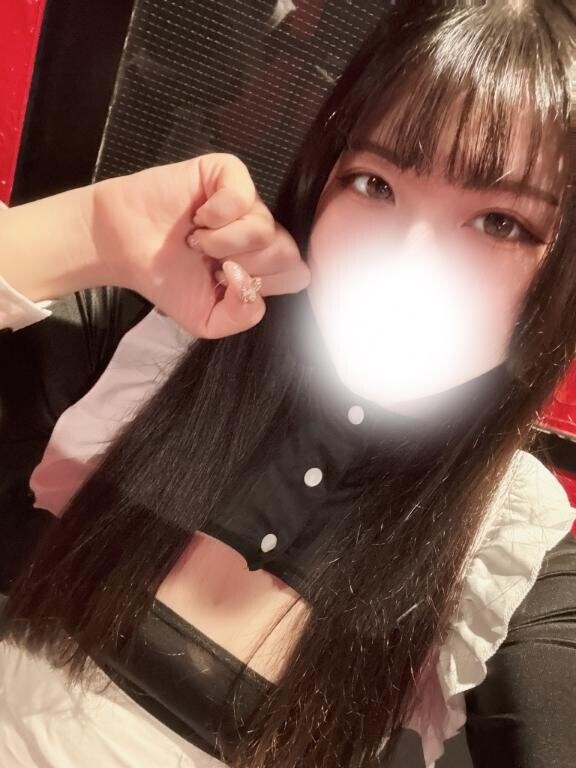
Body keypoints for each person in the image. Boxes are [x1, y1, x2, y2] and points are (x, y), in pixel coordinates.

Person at [0, 1, 575, 767]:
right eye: (374, 183)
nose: (408, 261)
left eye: (501, 222)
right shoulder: (169, 341)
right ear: (319, 183)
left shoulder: (508, 533)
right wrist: (92, 233)